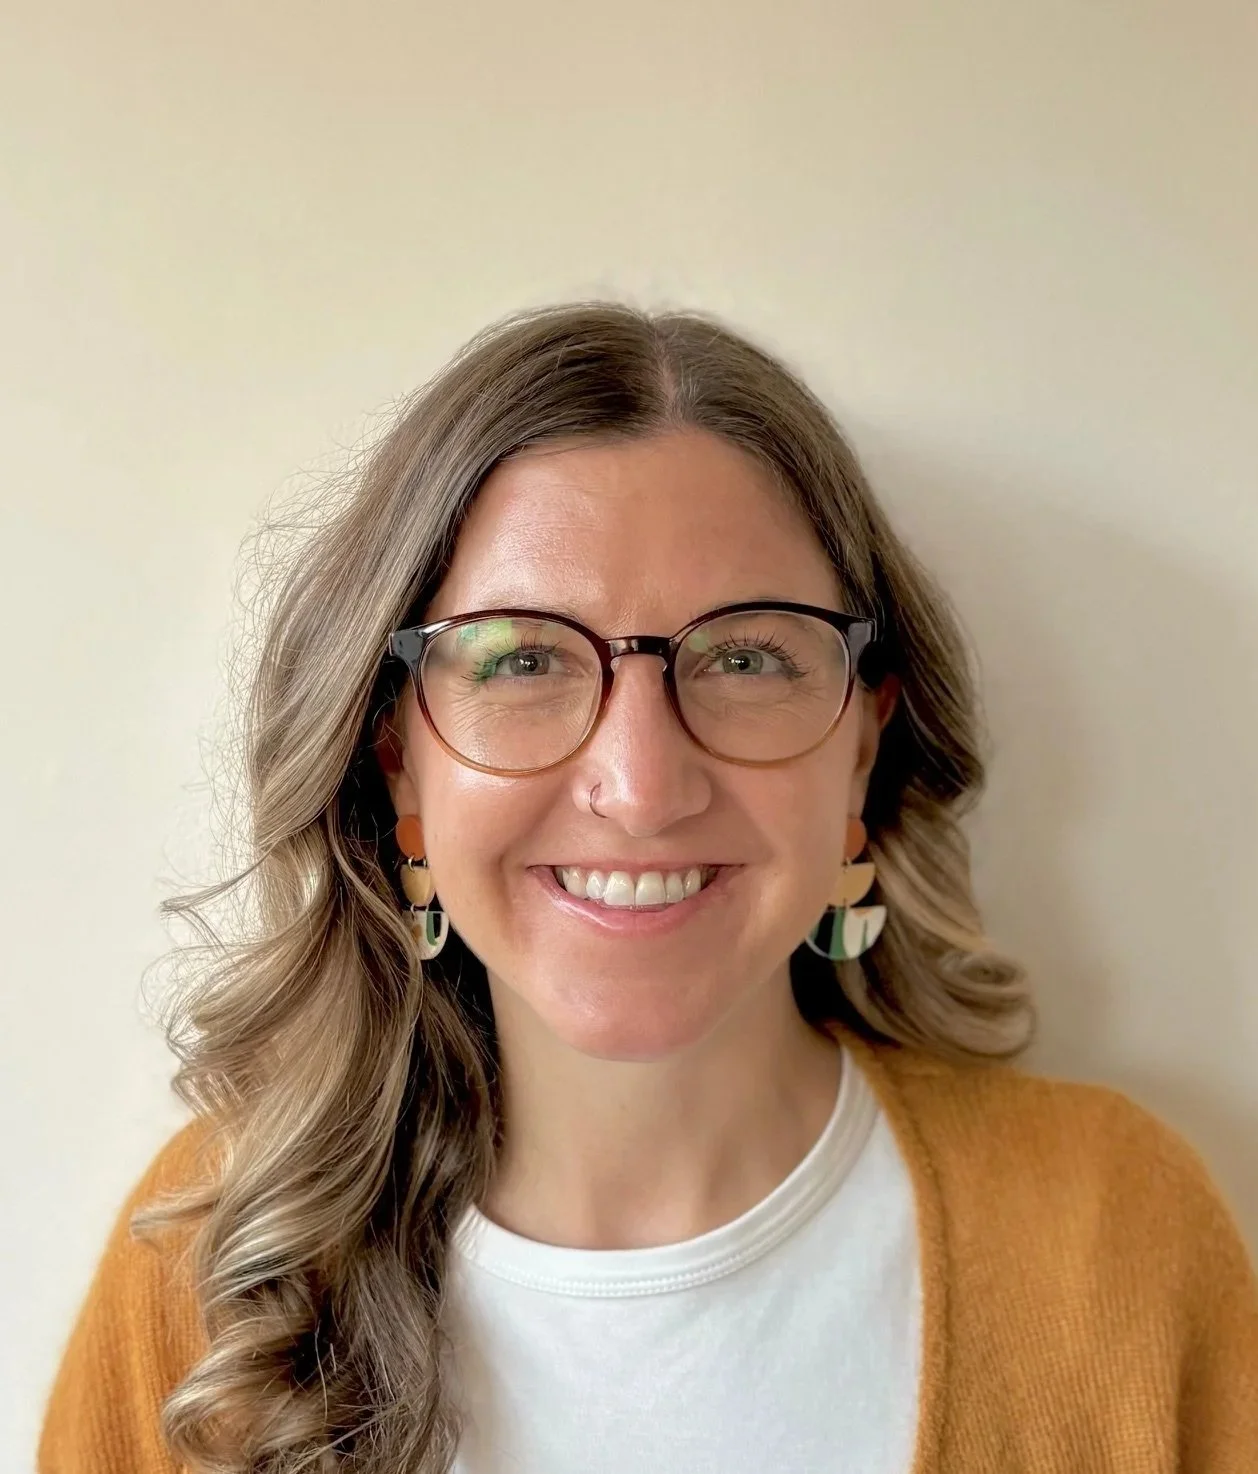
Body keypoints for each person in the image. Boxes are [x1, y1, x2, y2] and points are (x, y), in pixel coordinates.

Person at [39, 303, 1257, 1474]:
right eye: (520, 658)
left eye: (743, 656)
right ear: (398, 754)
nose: (640, 782)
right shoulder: (211, 1269)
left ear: (862, 748)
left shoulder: (1115, 1240)